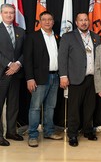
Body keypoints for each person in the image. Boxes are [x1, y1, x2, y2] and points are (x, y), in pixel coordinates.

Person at [58, 12, 100, 147]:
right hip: (75, 78)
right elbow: (62, 58)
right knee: (74, 109)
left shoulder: (95, 37)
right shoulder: (68, 37)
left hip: (92, 78)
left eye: (86, 20)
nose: (84, 22)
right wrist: (63, 76)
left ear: (89, 21)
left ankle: (88, 130)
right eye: (81, 20)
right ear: (76, 23)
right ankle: (73, 134)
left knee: (90, 107)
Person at [24, 11, 63, 147]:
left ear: (53, 22)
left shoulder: (57, 37)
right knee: (35, 108)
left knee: (50, 107)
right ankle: (33, 135)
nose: (47, 22)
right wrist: (29, 78)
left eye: (50, 19)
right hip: (39, 78)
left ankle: (48, 131)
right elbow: (27, 60)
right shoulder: (32, 37)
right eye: (44, 19)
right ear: (40, 22)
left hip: (55, 76)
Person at [0, 4, 25, 146]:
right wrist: (10, 64)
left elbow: (25, 52)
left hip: (16, 74)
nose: (9, 15)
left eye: (11, 13)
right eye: (6, 13)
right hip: (2, 73)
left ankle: (11, 131)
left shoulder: (20, 31)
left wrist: (18, 65)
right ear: (1, 14)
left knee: (13, 104)